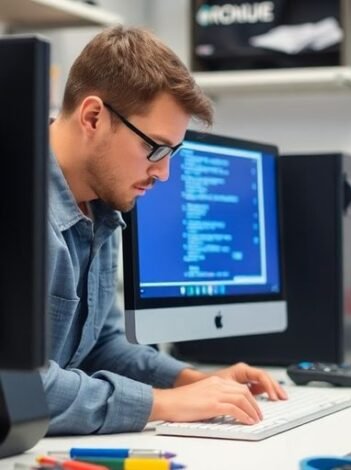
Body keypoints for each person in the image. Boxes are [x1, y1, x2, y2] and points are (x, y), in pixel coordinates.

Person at [44, 25, 287, 435]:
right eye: (154, 148)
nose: (164, 173)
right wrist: (163, 403)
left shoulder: (101, 208)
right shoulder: (17, 208)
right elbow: (17, 386)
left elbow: (97, 346)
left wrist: (190, 381)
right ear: (93, 117)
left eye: (172, 152)